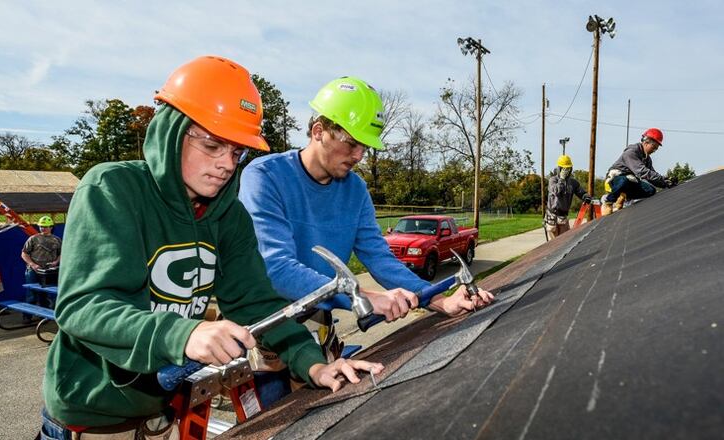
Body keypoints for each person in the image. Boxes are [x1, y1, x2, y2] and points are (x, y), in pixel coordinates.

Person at [40, 57, 382, 440]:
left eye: (236, 153)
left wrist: (313, 365)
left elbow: (257, 301)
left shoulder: (228, 216)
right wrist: (183, 335)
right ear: (173, 130)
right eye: (212, 144)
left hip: (158, 411)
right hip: (91, 414)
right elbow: (82, 306)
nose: (225, 164)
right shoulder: (113, 190)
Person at [238, 76, 494, 408]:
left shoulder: (355, 190)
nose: (359, 155)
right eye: (352, 143)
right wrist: (362, 297)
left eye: (365, 146)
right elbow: (276, 268)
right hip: (271, 329)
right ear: (319, 131)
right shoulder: (265, 177)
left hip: (318, 323)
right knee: (280, 423)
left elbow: (380, 259)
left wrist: (439, 300)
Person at [601, 128, 675, 215]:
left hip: (629, 181)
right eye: (653, 147)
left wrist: (666, 182)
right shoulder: (631, 152)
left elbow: (652, 176)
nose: (654, 151)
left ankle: (622, 197)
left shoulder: (647, 159)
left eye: (656, 149)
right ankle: (608, 202)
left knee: (651, 190)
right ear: (646, 142)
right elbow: (642, 172)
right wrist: (661, 179)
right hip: (614, 180)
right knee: (623, 181)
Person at [20, 215, 61, 323]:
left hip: (48, 272)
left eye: (46, 226)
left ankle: (45, 315)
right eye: (41, 226)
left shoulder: (56, 240)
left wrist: (56, 262)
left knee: (45, 294)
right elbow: (24, 254)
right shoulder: (33, 239)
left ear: (51, 227)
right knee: (31, 293)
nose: (43, 228)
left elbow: (61, 254)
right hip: (33, 271)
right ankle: (27, 316)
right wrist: (33, 265)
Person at [545, 154, 592, 240]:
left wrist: (586, 196)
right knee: (553, 245)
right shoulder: (553, 180)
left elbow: (581, 192)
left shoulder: (573, 183)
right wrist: (561, 180)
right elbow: (556, 191)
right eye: (564, 168)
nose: (566, 171)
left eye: (568, 168)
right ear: (559, 168)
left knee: (565, 241)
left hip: (563, 217)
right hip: (552, 217)